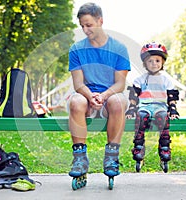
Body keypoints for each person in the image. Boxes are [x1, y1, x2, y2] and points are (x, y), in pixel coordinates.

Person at [67, 2, 131, 189]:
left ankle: (111, 157)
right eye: (82, 26)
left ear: (100, 20)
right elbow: (78, 84)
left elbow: (120, 83)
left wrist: (103, 95)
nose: (85, 30)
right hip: (86, 96)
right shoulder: (76, 49)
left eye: (89, 25)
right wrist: (91, 95)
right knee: (76, 101)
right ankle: (80, 158)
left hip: (110, 96)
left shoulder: (119, 48)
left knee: (117, 101)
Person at [125, 42, 179, 173]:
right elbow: (134, 96)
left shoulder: (166, 80)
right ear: (144, 63)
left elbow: (171, 96)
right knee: (141, 116)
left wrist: (172, 109)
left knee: (163, 117)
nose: (154, 63)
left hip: (160, 107)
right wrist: (132, 109)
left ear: (162, 62)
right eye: (150, 61)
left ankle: (164, 147)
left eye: (157, 60)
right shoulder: (140, 79)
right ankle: (138, 146)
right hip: (145, 106)